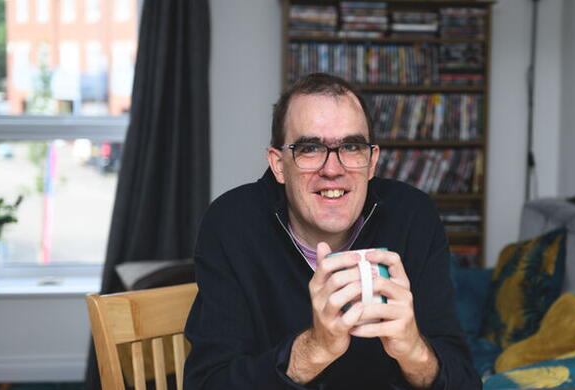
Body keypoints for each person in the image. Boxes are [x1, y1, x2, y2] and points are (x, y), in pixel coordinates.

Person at [184, 73, 481, 389]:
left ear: (372, 161)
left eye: (351, 146)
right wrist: (314, 350)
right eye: (310, 148)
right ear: (279, 164)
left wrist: (413, 351)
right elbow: (207, 383)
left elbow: (465, 382)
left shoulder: (412, 216)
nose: (332, 169)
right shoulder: (232, 224)